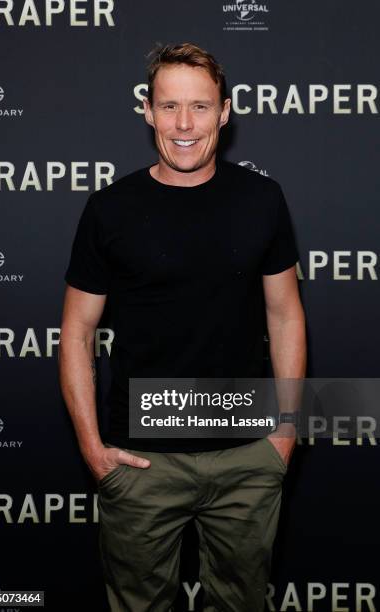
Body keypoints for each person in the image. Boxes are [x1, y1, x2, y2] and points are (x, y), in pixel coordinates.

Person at [59, 42, 306, 612]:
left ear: (224, 111)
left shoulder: (262, 199)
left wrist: (286, 433)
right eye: (169, 106)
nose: (185, 124)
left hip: (248, 451)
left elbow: (286, 313)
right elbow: (76, 332)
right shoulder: (109, 209)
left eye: (200, 106)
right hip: (140, 460)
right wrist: (93, 450)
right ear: (146, 110)